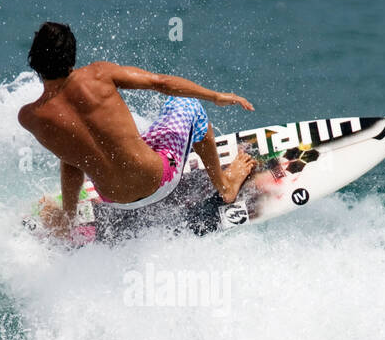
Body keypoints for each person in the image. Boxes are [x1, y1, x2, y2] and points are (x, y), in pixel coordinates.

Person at [17, 21, 256, 238]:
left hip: (113, 199)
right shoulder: (98, 75)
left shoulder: (31, 117)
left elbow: (72, 163)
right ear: (71, 58)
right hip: (159, 180)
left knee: (69, 152)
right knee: (188, 105)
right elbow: (161, 83)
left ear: (34, 60)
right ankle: (226, 187)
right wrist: (215, 96)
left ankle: (67, 221)